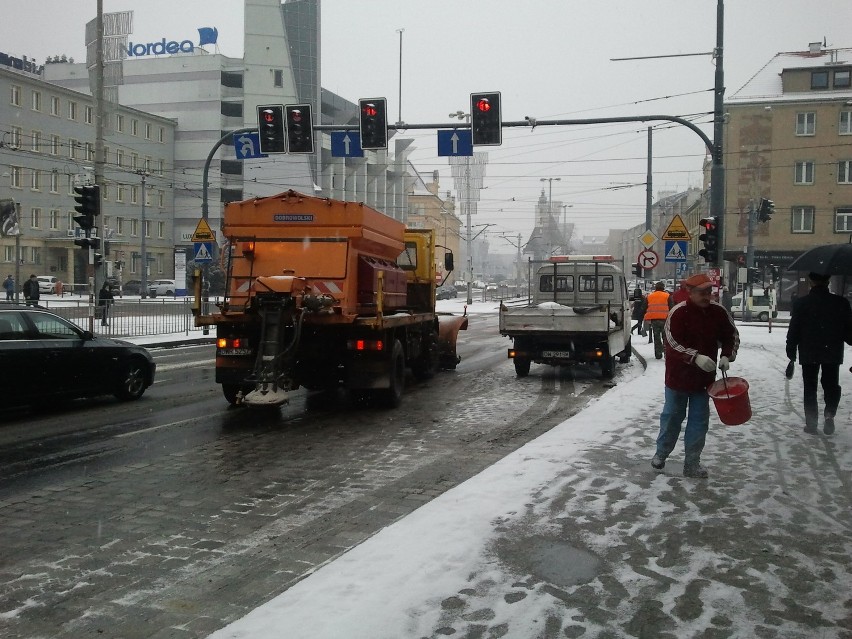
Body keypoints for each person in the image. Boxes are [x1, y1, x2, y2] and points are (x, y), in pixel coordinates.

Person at [652, 273, 739, 478]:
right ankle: (661, 453)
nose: (707, 296)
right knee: (672, 416)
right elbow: (671, 343)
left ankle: (692, 462)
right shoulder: (678, 313)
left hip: (703, 381)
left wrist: (727, 355)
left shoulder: (718, 312)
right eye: (702, 292)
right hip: (677, 378)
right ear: (690, 293)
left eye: (709, 292)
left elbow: (731, 335)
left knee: (699, 422)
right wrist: (695, 357)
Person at [785, 272, 852, 435]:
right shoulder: (840, 303)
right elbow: (849, 331)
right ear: (828, 282)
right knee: (831, 384)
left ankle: (812, 423)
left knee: (810, 386)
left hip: (809, 350)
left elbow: (794, 330)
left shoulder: (801, 304)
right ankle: (829, 414)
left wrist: (791, 349)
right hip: (832, 351)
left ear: (811, 282)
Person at [643, 281, 671, 359]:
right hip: (665, 320)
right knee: (666, 337)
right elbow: (672, 307)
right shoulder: (667, 296)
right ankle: (666, 353)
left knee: (656, 337)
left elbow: (644, 307)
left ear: (656, 287)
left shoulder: (650, 296)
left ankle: (658, 354)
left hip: (654, 320)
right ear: (663, 288)